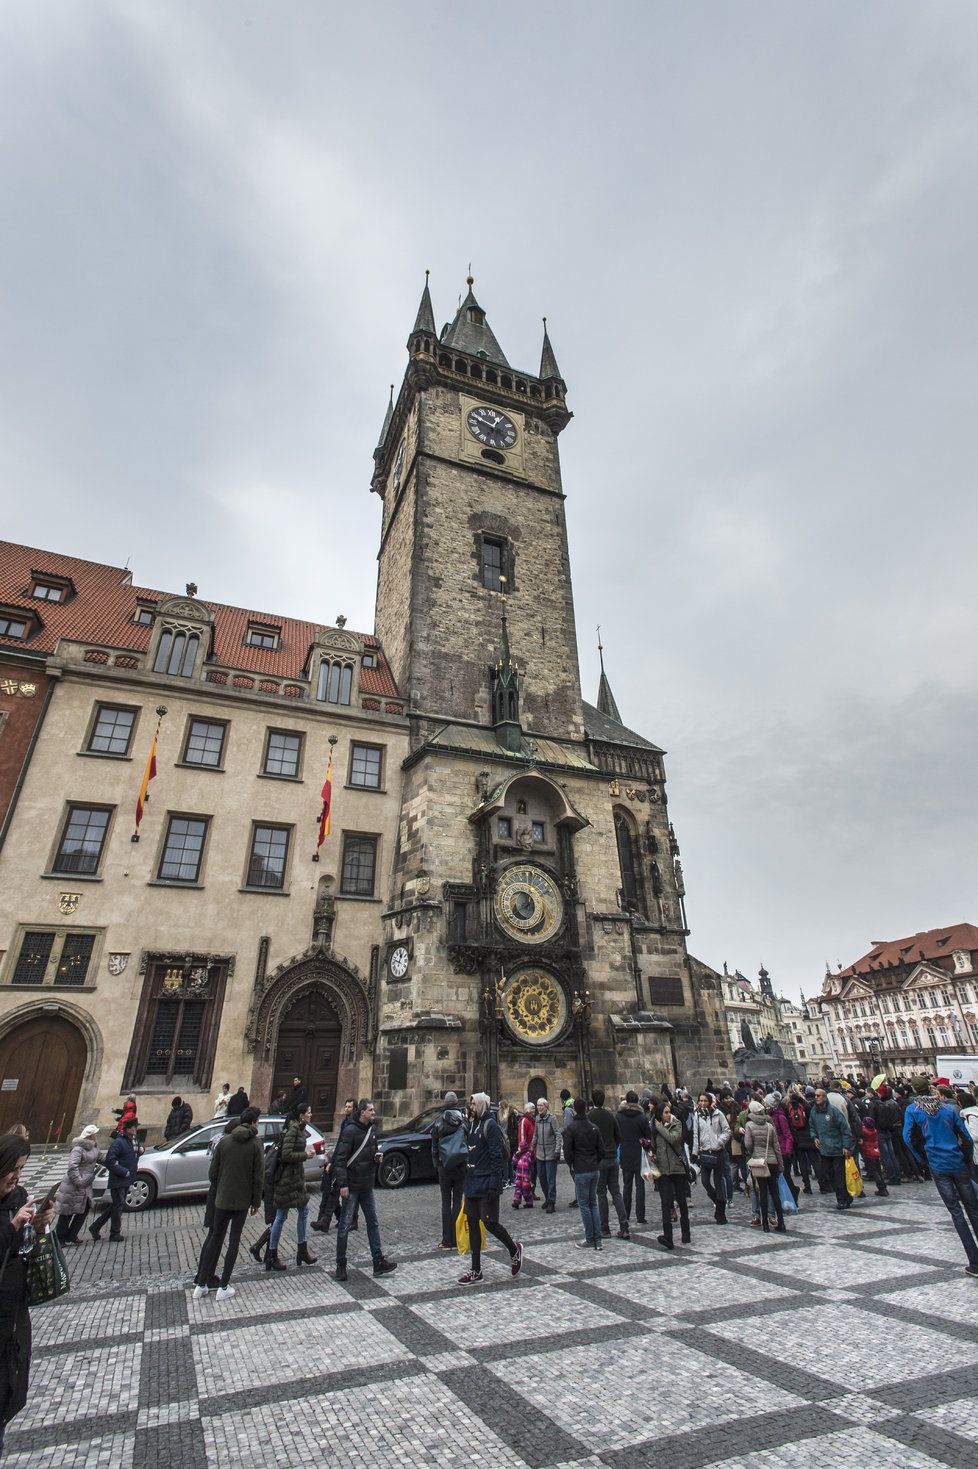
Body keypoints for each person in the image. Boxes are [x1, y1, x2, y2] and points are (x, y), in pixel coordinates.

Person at [0, 1134, 55, 1455]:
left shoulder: (18, 1199)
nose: (18, 1175)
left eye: (23, 1168)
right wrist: (11, 1229)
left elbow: (25, 1253)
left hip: (12, 1323)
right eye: (15, 1168)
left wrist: (35, 1229)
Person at [903, 1079, 978, 1276]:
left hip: (937, 1164)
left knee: (956, 1213)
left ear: (913, 1089)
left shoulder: (913, 1109)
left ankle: (975, 1263)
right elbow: (966, 1138)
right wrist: (965, 1158)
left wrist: (922, 1159)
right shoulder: (946, 1109)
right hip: (957, 1161)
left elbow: (908, 1138)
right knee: (973, 1209)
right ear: (930, 1088)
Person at [193, 1106, 264, 1301]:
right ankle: (224, 1286)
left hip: (221, 1199)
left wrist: (224, 1185)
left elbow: (212, 1174)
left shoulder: (224, 1142)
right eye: (257, 1121)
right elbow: (258, 1176)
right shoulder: (256, 1143)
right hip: (241, 1201)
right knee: (233, 1241)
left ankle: (201, 1284)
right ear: (252, 1123)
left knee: (215, 1238)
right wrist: (256, 1201)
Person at [457, 1093, 522, 1284]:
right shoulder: (473, 1124)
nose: (470, 1107)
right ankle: (476, 1270)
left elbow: (496, 1156)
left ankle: (514, 1249)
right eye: (470, 1104)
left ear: (482, 1105)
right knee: (473, 1224)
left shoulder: (490, 1125)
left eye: (473, 1104)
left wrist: (496, 1183)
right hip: (472, 1182)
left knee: (490, 1223)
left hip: (486, 1182)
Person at [333, 1100, 396, 1281]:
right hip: (351, 1186)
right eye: (371, 1110)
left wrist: (376, 1157)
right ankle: (341, 1264)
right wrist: (343, 1184)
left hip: (366, 1185)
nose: (374, 1112)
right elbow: (340, 1159)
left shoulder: (372, 1129)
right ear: (362, 1112)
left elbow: (370, 1151)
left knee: (373, 1222)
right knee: (344, 1225)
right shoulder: (350, 1131)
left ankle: (378, 1261)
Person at [265, 1104, 317, 1271]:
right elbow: (286, 1155)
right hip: (287, 1180)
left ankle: (302, 1249)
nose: (311, 1114)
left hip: (296, 1179)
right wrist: (305, 1155)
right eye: (309, 1112)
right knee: (280, 1216)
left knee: (304, 1211)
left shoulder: (299, 1129)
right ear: (302, 1115)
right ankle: (272, 1255)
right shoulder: (293, 1130)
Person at [587, 1088, 629, 1240]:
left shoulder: (589, 1116)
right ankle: (624, 1227)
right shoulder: (610, 1115)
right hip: (612, 1158)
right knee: (616, 1193)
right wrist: (612, 1148)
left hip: (599, 1161)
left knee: (601, 1194)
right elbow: (618, 1136)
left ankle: (605, 1229)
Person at [562, 1098, 603, 1250]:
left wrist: (572, 1164)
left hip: (580, 1170)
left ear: (573, 1109)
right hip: (593, 1169)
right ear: (585, 1108)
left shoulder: (571, 1129)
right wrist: (595, 1162)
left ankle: (590, 1238)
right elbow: (601, 1150)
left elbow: (567, 1152)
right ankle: (598, 1239)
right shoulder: (594, 1127)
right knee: (593, 1203)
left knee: (584, 1205)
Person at [89, 1118, 139, 1241]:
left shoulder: (131, 1140)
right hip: (118, 1179)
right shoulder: (118, 1142)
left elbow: (132, 1153)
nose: (135, 1130)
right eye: (134, 1128)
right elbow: (110, 1161)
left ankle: (95, 1227)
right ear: (128, 1129)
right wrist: (123, 1171)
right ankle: (114, 1233)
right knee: (118, 1206)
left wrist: (140, 1151)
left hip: (127, 1178)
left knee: (117, 1205)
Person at [431, 1091, 469, 1247]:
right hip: (460, 1165)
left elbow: (434, 1147)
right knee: (458, 1202)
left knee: (446, 1203)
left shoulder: (439, 1122)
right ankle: (458, 1237)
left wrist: (437, 1165)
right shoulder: (464, 1121)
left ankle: (447, 1240)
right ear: (456, 1103)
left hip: (444, 1167)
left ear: (445, 1103)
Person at [652, 1099, 690, 1250]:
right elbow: (655, 1147)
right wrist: (652, 1154)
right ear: (660, 1114)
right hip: (663, 1170)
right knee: (665, 1202)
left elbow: (674, 1139)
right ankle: (668, 1237)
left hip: (678, 1169)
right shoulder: (655, 1129)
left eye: (669, 1112)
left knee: (681, 1200)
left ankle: (686, 1232)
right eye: (665, 1112)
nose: (669, 1115)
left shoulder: (677, 1124)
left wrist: (660, 1127)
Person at [743, 1099, 786, 1233]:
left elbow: (748, 1145)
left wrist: (752, 1152)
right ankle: (781, 1223)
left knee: (762, 1192)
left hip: (760, 1162)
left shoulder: (749, 1125)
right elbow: (777, 1147)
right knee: (774, 1193)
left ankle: (766, 1225)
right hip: (772, 1161)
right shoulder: (769, 1126)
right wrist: (780, 1165)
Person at [53, 1125, 100, 1244]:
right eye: (95, 1134)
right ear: (90, 1135)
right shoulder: (78, 1149)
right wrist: (79, 1181)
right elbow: (72, 1167)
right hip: (73, 1185)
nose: (96, 1135)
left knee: (84, 1209)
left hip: (86, 1184)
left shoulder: (94, 1147)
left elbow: (101, 1157)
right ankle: (60, 1238)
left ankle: (72, 1235)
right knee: (67, 1211)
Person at [809, 1085, 854, 1211]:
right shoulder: (814, 1111)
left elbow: (845, 1129)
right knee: (829, 1173)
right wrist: (814, 1137)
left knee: (839, 1175)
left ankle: (842, 1200)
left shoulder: (833, 1111)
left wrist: (846, 1145)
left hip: (837, 1149)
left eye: (818, 1096)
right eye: (815, 1096)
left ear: (824, 1097)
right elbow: (812, 1126)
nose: (816, 1098)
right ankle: (845, 1196)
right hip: (824, 1150)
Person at [691, 1092, 731, 1224]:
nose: (702, 1103)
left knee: (719, 1183)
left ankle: (721, 1214)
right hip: (704, 1152)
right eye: (700, 1101)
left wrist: (719, 1142)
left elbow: (727, 1130)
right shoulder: (697, 1115)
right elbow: (696, 1134)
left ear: (709, 1102)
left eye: (704, 1101)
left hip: (717, 1152)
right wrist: (694, 1152)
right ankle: (719, 1203)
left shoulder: (718, 1114)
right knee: (705, 1182)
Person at [617, 1091, 652, 1226]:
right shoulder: (642, 1117)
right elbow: (647, 1139)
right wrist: (647, 1149)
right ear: (637, 1101)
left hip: (625, 1154)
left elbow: (617, 1135)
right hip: (639, 1155)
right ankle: (640, 1216)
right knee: (640, 1186)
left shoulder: (619, 1116)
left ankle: (626, 1214)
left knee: (626, 1186)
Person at [533, 1099, 562, 1213]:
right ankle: (547, 1198)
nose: (539, 1107)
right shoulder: (537, 1118)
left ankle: (552, 1202)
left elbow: (558, 1135)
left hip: (550, 1153)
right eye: (538, 1105)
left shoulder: (552, 1118)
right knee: (542, 1178)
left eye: (541, 1105)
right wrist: (531, 1148)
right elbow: (535, 1135)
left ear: (546, 1106)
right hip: (540, 1154)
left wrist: (557, 1150)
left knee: (550, 1179)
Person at [511, 1102, 536, 1209]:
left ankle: (526, 1198)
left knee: (526, 1177)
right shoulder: (525, 1121)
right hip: (525, 1153)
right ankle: (519, 1199)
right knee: (522, 1178)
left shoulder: (532, 1121)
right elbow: (522, 1137)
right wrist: (523, 1150)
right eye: (533, 1108)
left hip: (531, 1153)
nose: (535, 1111)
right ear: (527, 1110)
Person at [859, 1114, 889, 1197]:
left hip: (868, 1153)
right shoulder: (874, 1130)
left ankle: (881, 1188)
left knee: (874, 1172)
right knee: (878, 1171)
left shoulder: (864, 1131)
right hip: (875, 1152)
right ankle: (884, 1188)